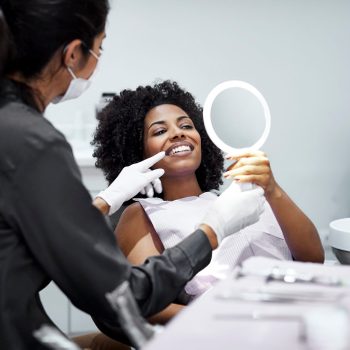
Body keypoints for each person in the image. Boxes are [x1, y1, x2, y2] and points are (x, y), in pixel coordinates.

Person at [0, 2, 266, 349]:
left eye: (186, 125)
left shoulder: (14, 129)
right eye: (100, 47)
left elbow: (36, 248)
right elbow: (121, 296)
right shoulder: (33, 144)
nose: (178, 135)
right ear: (73, 54)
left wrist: (102, 202)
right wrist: (211, 232)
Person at [92, 80, 325, 324]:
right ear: (138, 152)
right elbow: (143, 304)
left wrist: (273, 189)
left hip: (297, 316)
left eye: (186, 126)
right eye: (160, 131)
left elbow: (313, 259)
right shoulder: (143, 214)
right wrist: (223, 317)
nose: (178, 133)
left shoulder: (244, 199)